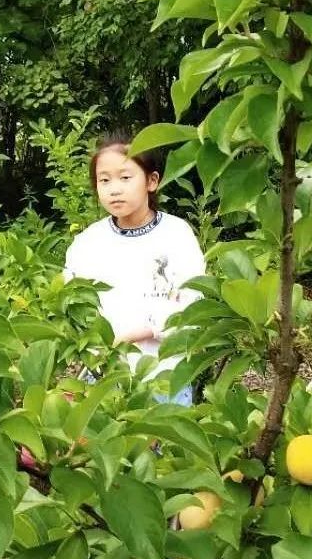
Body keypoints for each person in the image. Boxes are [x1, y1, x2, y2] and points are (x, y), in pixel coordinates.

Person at [64, 132, 206, 405]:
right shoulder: (88, 242)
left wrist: (141, 331)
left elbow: (192, 304)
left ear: (151, 181)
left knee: (156, 444)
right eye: (104, 180)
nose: (114, 189)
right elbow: (71, 297)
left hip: (163, 372)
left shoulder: (176, 235)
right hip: (103, 370)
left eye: (125, 178)